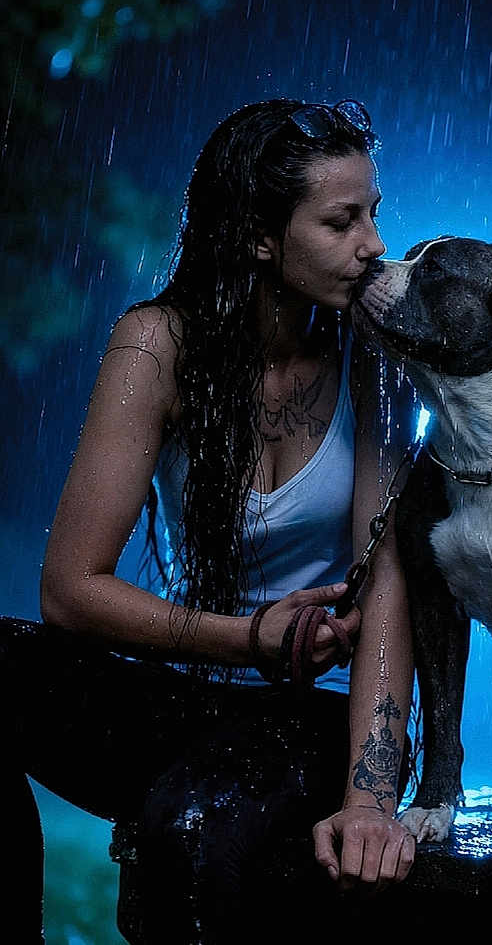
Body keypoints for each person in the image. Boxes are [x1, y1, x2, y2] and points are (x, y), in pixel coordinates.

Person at [2, 98, 417, 942]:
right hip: (185, 686)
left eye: (374, 214)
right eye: (341, 221)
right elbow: (70, 590)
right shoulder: (156, 345)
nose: (373, 245)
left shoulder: (375, 355)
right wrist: (244, 638)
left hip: (313, 712)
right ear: (261, 237)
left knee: (185, 827)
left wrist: (371, 801)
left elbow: (392, 583)